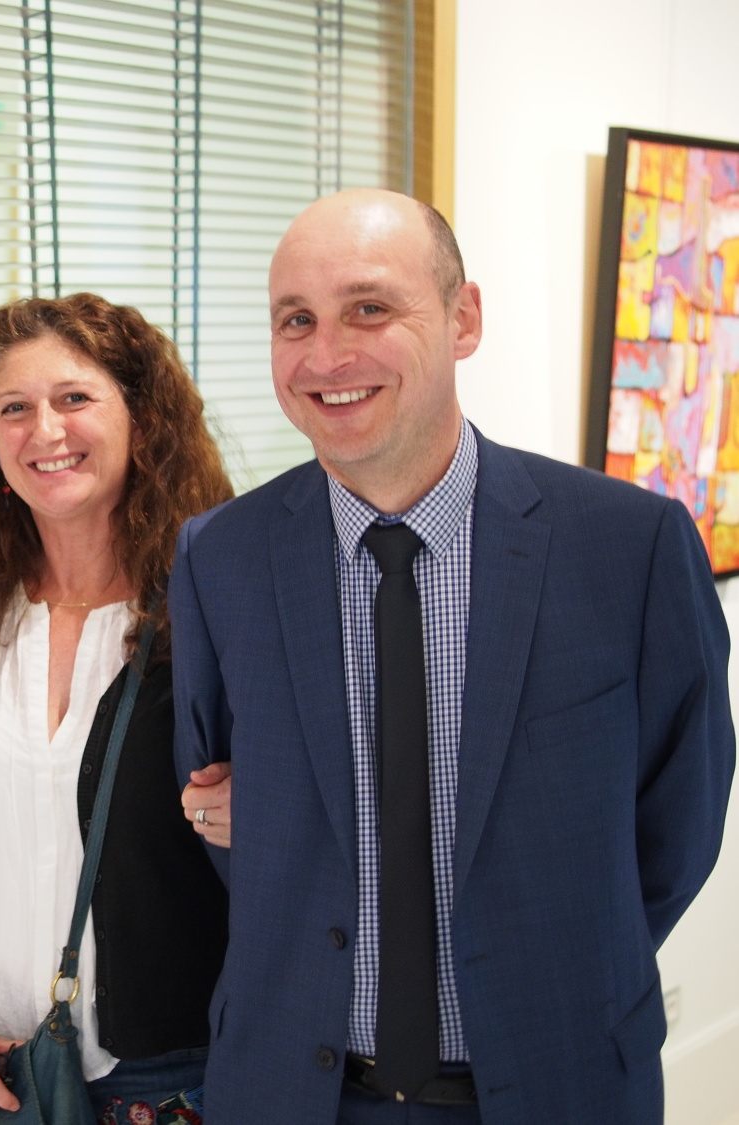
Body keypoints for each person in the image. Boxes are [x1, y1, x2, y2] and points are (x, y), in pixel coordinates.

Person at [171, 189, 735, 1123]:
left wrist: (565, 962)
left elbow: (680, 818)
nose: (326, 355)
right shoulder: (219, 557)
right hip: (294, 1091)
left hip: (557, 1080)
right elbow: (218, 800)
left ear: (463, 318)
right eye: (295, 320)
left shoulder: (627, 547)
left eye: (369, 308)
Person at [0, 293, 234, 1123]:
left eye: (74, 398)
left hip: (161, 1086)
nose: (45, 430)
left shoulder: (213, 614)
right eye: (14, 408)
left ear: (141, 417)